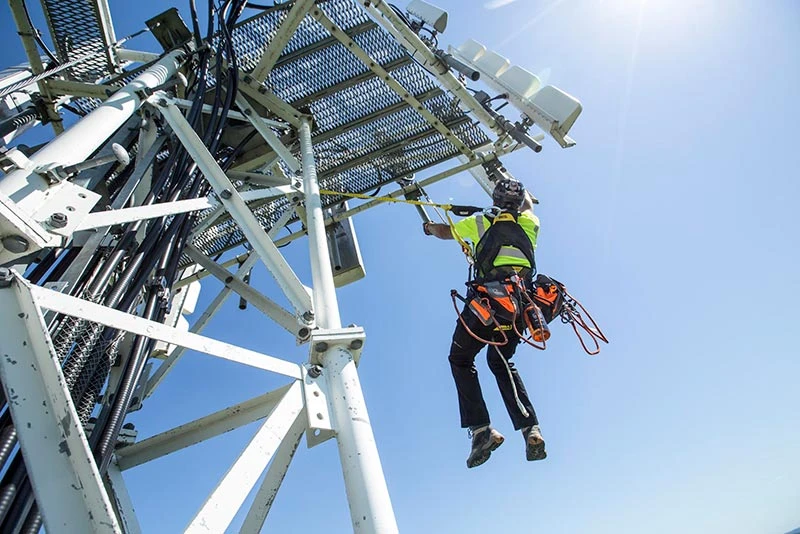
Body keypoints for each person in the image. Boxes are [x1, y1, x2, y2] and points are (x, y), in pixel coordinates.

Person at [422, 177, 546, 468]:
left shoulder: (479, 223)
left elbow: (444, 232)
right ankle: (532, 430)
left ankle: (481, 430)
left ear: (495, 201)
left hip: (488, 306)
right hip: (519, 308)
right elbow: (526, 204)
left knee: (461, 359)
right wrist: (515, 187)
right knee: (500, 360)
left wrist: (428, 228)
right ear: (519, 203)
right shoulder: (530, 224)